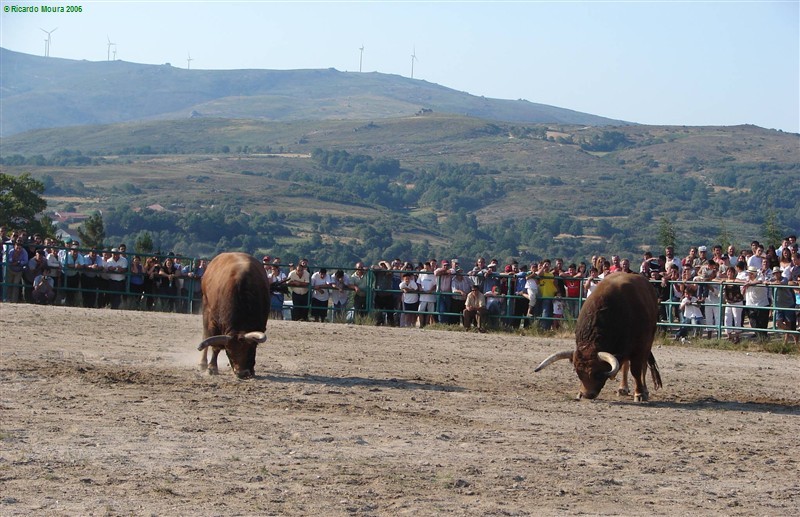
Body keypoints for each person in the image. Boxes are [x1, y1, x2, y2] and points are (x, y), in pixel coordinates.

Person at [742, 265, 769, 340]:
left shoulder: (760, 278)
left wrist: (749, 284)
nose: (748, 275)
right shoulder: (747, 280)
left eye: (750, 273)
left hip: (761, 304)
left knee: (762, 323)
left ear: (753, 274)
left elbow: (760, 281)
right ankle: (760, 337)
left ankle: (763, 339)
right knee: (753, 322)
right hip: (750, 304)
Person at [720, 264, 744, 342]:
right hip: (729, 302)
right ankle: (729, 335)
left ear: (733, 273)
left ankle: (737, 336)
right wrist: (722, 281)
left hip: (737, 302)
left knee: (737, 318)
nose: (729, 273)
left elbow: (741, 281)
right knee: (727, 318)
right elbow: (714, 279)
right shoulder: (725, 280)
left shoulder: (736, 280)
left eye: (730, 272)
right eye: (728, 272)